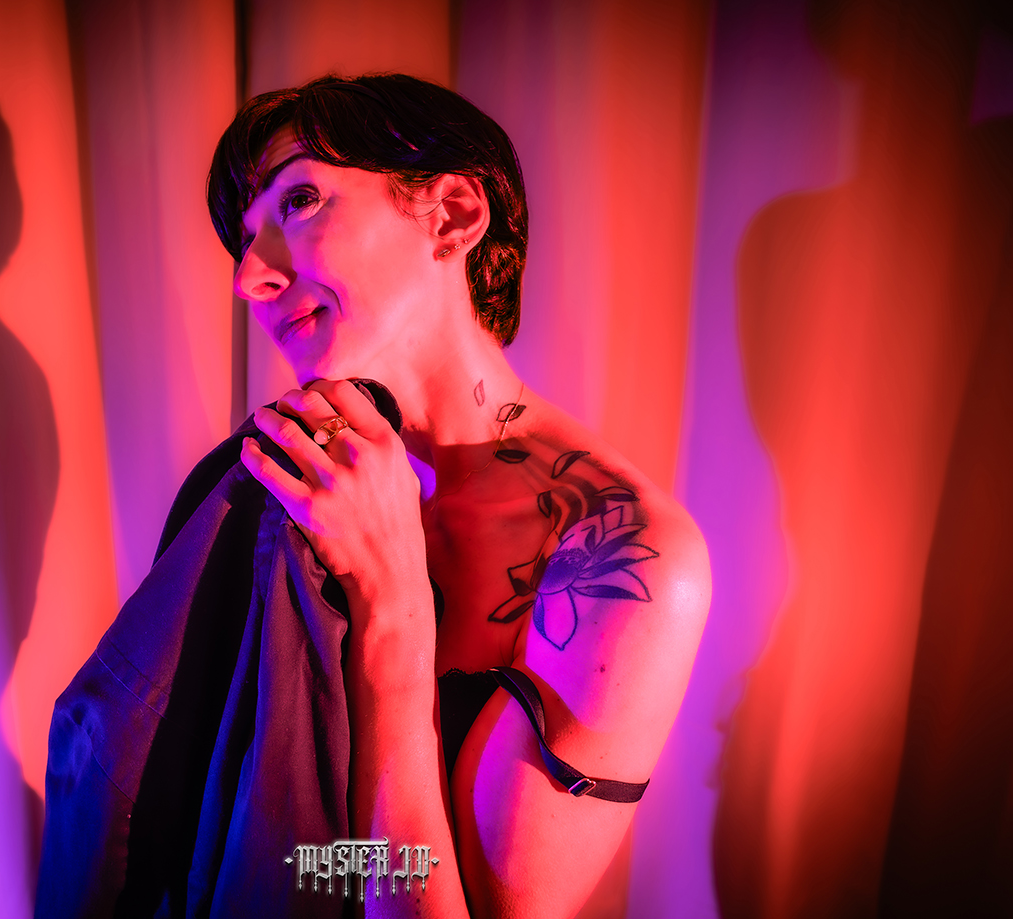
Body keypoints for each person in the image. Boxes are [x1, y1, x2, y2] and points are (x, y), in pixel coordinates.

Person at [37, 72, 709, 918]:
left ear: (452, 214)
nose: (249, 277)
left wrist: (393, 612)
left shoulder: (624, 558)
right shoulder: (267, 489)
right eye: (244, 240)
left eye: (300, 200)